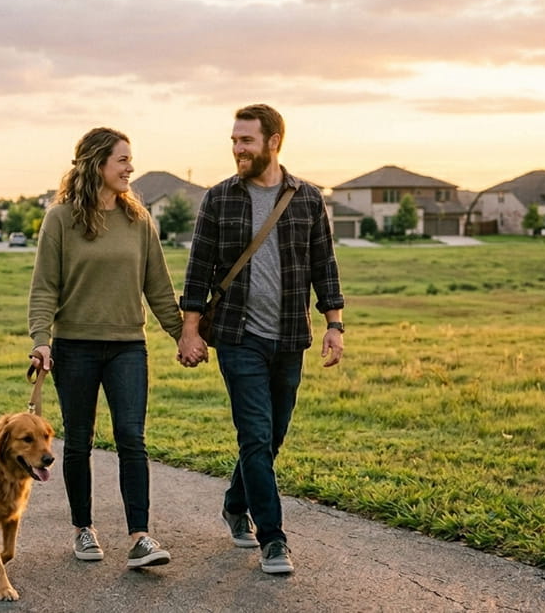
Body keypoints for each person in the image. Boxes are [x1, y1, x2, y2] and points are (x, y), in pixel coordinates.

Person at [177, 104, 345, 574]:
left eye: (246, 140)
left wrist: (334, 325)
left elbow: (324, 264)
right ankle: (273, 539)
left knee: (272, 437)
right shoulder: (219, 198)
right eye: (234, 141)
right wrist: (189, 330)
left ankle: (236, 503)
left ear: (273, 142)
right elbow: (198, 269)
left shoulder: (307, 198)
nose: (238, 149)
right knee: (254, 434)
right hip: (238, 335)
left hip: (290, 336)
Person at [28, 127, 183, 569]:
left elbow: (158, 287)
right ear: (97, 164)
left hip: (127, 346)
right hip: (74, 347)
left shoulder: (139, 220)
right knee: (79, 441)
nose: (130, 168)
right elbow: (44, 287)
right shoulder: (60, 219)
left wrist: (183, 335)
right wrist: (41, 341)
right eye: (122, 160)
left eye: (129, 159)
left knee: (132, 437)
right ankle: (83, 528)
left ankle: (140, 537)